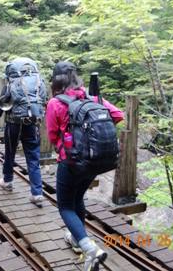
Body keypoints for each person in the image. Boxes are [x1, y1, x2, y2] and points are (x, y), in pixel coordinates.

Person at [46, 61, 124, 271]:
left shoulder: (55, 102)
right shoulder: (91, 97)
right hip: (94, 162)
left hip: (70, 161)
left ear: (56, 80)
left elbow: (53, 135)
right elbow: (117, 115)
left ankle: (90, 249)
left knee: (64, 206)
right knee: (77, 197)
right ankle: (77, 238)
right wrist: (93, 135)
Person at [0, 57, 47, 206]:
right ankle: (37, 193)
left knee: (10, 153)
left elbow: (2, 105)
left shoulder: (12, 83)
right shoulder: (39, 82)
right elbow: (43, 101)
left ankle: (7, 181)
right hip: (32, 123)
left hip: (13, 123)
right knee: (33, 158)